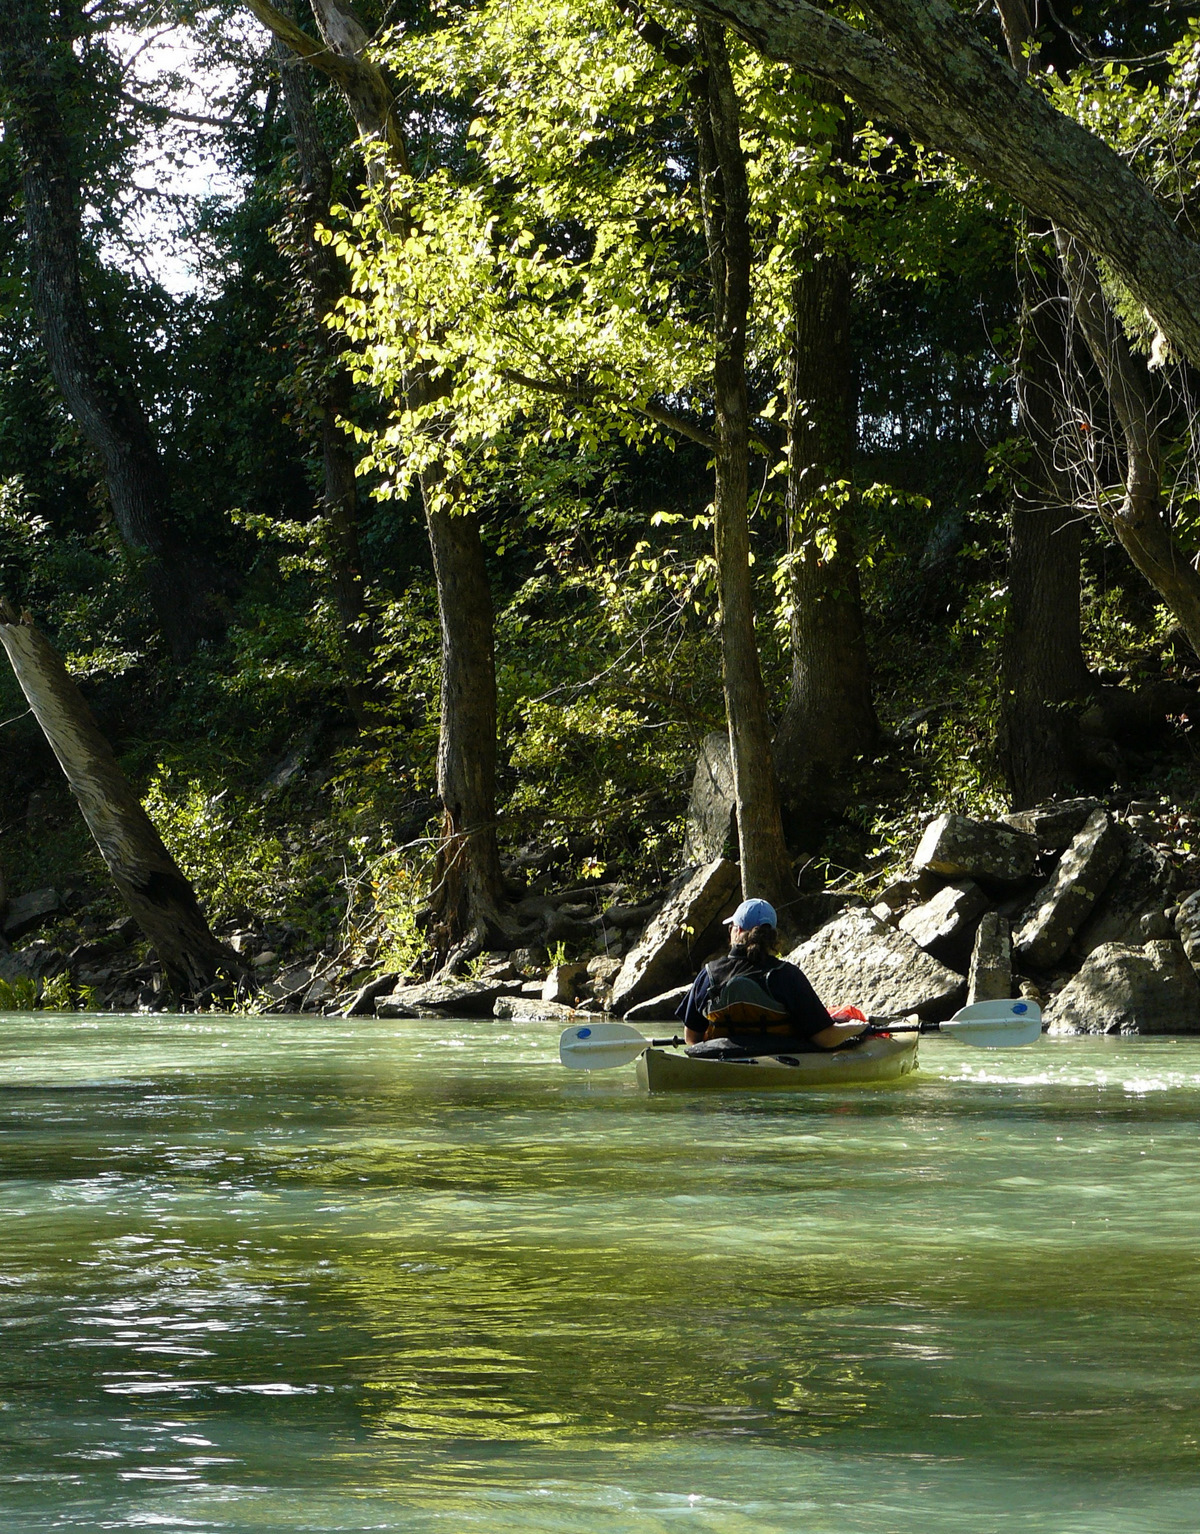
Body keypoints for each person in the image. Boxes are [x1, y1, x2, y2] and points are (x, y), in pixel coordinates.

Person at [677, 897, 870, 1057]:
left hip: (722, 1060)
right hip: (783, 1060)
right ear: (772, 936)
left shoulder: (709, 974)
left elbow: (692, 1038)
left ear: (736, 930)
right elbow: (825, 1038)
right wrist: (856, 1028)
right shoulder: (786, 975)